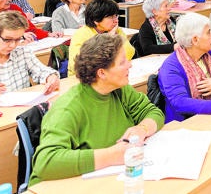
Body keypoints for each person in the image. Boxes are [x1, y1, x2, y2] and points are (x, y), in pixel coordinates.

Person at [29, 34, 164, 185]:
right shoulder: (68, 108)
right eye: (122, 62)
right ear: (102, 73)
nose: (130, 65)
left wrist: (142, 129)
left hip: (109, 180)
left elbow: (154, 112)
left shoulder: (120, 89)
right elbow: (45, 162)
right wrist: (112, 155)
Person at [0, 11, 60, 103]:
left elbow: (43, 71)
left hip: (22, 111)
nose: (12, 45)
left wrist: (51, 78)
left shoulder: (23, 53)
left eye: (18, 39)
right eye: (7, 40)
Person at [158, 13, 211, 123]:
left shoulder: (209, 54)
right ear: (195, 40)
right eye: (208, 32)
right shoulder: (171, 67)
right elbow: (180, 103)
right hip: (186, 123)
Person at [68, 0, 135, 75]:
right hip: (83, 79)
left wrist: (114, 36)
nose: (116, 20)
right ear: (96, 20)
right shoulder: (81, 35)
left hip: (110, 74)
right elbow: (78, 66)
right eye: (110, 17)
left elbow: (129, 53)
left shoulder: (116, 30)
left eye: (116, 16)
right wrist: (109, 39)